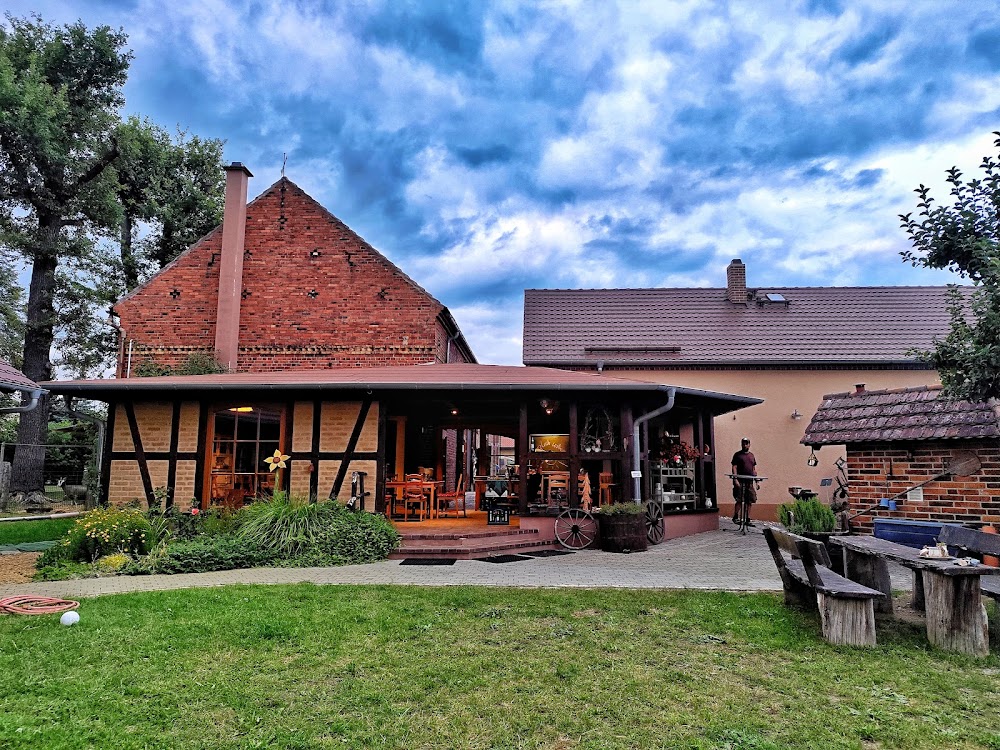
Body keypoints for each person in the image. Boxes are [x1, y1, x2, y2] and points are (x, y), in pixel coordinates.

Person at [731, 437, 758, 526]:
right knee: (739, 499)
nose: (745, 445)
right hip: (740, 480)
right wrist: (735, 479)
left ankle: (747, 519)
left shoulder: (751, 455)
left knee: (750, 500)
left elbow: (753, 469)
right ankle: (735, 517)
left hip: (749, 481)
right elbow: (734, 467)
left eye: (746, 443)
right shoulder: (737, 455)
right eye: (743, 443)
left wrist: (757, 481)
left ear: (749, 445)